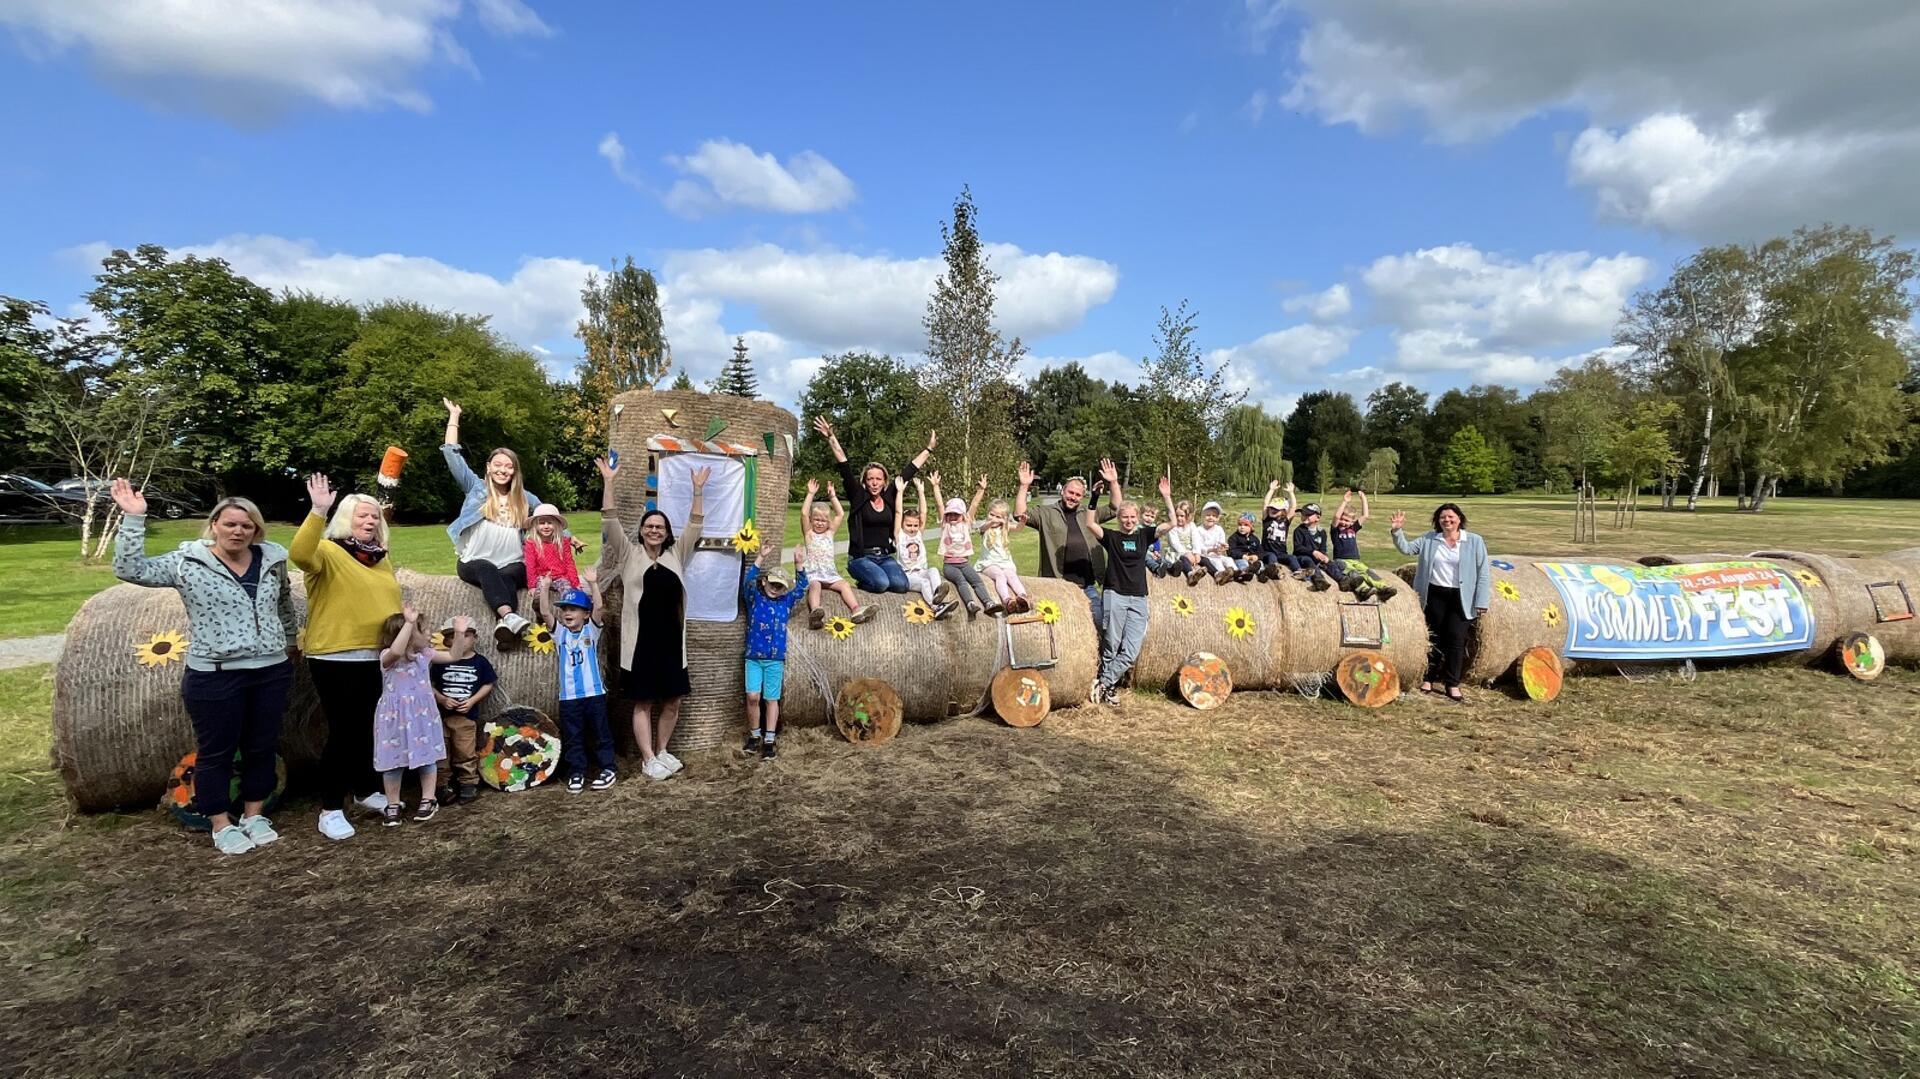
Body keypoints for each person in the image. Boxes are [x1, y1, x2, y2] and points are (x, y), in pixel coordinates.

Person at [110, 479, 297, 855]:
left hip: (271, 669)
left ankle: (253, 815)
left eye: (247, 526)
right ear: (214, 524)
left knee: (262, 746)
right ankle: (219, 822)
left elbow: (283, 603)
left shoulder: (273, 558)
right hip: (215, 674)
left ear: (256, 530)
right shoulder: (187, 562)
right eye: (230, 524)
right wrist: (134, 519)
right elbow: (130, 569)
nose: (238, 531)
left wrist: (290, 642)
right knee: (217, 752)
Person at [292, 472, 404, 842]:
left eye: (374, 516)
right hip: (336, 654)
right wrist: (317, 512)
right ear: (346, 519)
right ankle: (330, 808)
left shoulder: (379, 558)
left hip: (374, 655)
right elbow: (299, 554)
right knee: (343, 731)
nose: (370, 521)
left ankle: (362, 787)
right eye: (362, 516)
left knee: (365, 728)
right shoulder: (328, 550)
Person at [596, 454, 718, 781]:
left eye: (660, 527)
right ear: (641, 530)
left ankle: (663, 750)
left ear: (666, 533)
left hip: (670, 643)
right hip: (640, 644)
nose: (654, 530)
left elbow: (696, 524)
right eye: (649, 526)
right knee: (643, 703)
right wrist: (608, 481)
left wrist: (697, 490)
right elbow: (609, 520)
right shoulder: (629, 554)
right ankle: (648, 759)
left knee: (673, 701)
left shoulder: (676, 554)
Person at [441, 398, 548, 649]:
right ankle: (509, 616)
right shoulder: (475, 488)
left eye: (508, 467)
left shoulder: (524, 497)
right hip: (473, 561)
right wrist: (454, 416)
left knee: (509, 574)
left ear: (515, 471)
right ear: (488, 468)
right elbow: (451, 454)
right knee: (488, 569)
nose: (503, 470)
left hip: (513, 561)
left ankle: (504, 627)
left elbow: (547, 516)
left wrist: (569, 536)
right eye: (497, 465)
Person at [1080, 459, 1170, 706]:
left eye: (1132, 517)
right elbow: (1089, 523)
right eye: (1125, 517)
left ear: (1138, 518)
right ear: (1119, 518)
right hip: (1114, 594)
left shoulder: (1144, 535)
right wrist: (1095, 496)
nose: (1129, 521)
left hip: (1139, 597)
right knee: (1111, 644)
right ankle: (1108, 690)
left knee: (1130, 650)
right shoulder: (1112, 537)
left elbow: (1172, 523)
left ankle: (1103, 681)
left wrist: (1167, 497)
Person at [811, 416, 936, 593]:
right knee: (881, 584)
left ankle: (875, 579)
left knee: (901, 585)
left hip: (885, 557)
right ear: (865, 482)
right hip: (861, 558)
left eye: (879, 479)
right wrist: (831, 437)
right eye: (870, 479)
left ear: (885, 481)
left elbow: (909, 470)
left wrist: (928, 449)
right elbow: (844, 464)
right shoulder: (858, 497)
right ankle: (863, 582)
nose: (875, 483)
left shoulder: (888, 497)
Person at [1392, 502, 1492, 703]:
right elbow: (1407, 548)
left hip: (1462, 597)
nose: (1447, 520)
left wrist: (1481, 600)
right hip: (1434, 594)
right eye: (1442, 517)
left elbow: (1483, 573)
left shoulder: (1474, 541)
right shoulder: (1430, 539)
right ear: (1438, 521)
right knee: (1434, 638)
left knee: (1456, 639)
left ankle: (1452, 684)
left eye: (1451, 517)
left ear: (1459, 519)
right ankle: (1428, 679)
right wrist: (1397, 531)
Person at [372, 604, 452, 826]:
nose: (428, 633)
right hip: (394, 718)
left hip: (421, 716)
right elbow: (397, 651)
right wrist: (409, 623)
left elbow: (454, 655)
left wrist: (462, 632)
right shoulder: (387, 657)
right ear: (405, 635)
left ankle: (429, 798)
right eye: (422, 629)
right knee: (392, 762)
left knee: (427, 757)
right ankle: (393, 803)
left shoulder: (424, 655)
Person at [1014, 460, 1115, 629]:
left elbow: (1115, 508)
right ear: (1062, 491)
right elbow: (1019, 514)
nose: (1073, 497)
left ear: (1082, 497)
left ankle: (1101, 654)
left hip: (1088, 585)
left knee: (1098, 620)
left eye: (1077, 495)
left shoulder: (1089, 513)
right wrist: (1024, 486)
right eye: (1070, 492)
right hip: (1057, 585)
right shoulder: (1046, 513)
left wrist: (1113, 482)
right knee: (1061, 626)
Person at [545, 574, 617, 794]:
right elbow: (546, 613)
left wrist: (595, 583)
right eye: (565, 609)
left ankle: (608, 769)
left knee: (600, 733)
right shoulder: (560, 635)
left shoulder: (591, 631)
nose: (568, 613)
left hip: (593, 694)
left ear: (585, 614)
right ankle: (577, 772)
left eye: (574, 609)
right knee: (573, 737)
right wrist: (546, 587)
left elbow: (599, 608)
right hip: (568, 698)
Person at [741, 548, 809, 760]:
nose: (775, 589)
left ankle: (769, 739)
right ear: (765, 583)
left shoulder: (785, 602)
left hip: (775, 660)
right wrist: (760, 557)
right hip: (753, 658)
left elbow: (803, 588)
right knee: (753, 697)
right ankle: (754, 736)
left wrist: (799, 564)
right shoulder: (755, 599)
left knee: (772, 699)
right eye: (772, 584)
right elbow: (747, 582)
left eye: (780, 586)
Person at [430, 615, 496, 806]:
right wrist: (441, 699)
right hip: (441, 716)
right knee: (441, 752)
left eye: (467, 635)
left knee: (465, 751)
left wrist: (473, 700)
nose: (461, 639)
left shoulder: (480, 662)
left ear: (474, 638)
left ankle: (468, 783)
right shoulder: (440, 661)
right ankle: (442, 785)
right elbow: (429, 684)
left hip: (465, 716)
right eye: (455, 636)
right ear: (447, 640)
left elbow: (488, 684)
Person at [798, 478, 873, 629]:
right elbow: (804, 514)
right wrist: (810, 494)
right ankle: (815, 613)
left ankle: (856, 610)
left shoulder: (830, 533)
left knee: (845, 585)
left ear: (828, 522)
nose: (820, 523)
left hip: (830, 574)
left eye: (824, 520)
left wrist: (833, 496)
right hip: (814, 573)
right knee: (815, 585)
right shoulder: (809, 533)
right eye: (816, 519)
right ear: (812, 520)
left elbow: (839, 514)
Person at [932, 471, 994, 617]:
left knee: (977, 581)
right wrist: (935, 487)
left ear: (962, 515)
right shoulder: (945, 524)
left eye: (956, 514)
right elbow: (940, 504)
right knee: (961, 581)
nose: (953, 516)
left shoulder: (966, 523)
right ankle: (970, 604)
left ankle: (988, 602)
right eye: (950, 514)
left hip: (965, 563)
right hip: (949, 565)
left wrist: (981, 490)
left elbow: (974, 504)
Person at [893, 476, 956, 618]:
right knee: (923, 583)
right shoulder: (900, 535)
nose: (912, 528)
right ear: (903, 525)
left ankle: (939, 595)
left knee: (933, 570)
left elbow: (924, 513)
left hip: (921, 570)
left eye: (915, 525)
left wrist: (921, 492)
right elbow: (898, 513)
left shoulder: (918, 534)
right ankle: (936, 607)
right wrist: (900, 492)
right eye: (909, 525)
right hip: (907, 575)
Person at [1329, 489, 1398, 602]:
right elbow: (1336, 517)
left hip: (1356, 560)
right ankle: (1363, 590)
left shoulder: (1353, 529)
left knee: (1368, 572)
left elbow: (1365, 515)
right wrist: (1344, 501)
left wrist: (1363, 499)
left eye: (1346, 520)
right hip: (1341, 560)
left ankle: (1383, 588)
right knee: (1353, 573)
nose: (1343, 522)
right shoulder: (1335, 530)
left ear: (1352, 522)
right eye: (1342, 519)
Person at [975, 496, 1031, 614]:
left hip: (1005, 562)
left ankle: (1023, 597)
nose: (994, 519)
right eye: (991, 515)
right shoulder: (985, 527)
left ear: (1004, 519)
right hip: (989, 563)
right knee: (1000, 576)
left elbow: (1018, 528)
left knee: (1011, 575)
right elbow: (983, 527)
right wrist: (991, 522)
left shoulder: (1004, 528)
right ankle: (1007, 600)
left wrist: (1022, 522)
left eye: (998, 516)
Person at [523, 503, 581, 606]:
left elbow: (569, 563)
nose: (546, 526)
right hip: (542, 577)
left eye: (550, 523)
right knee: (539, 594)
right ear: (536, 525)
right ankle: (540, 613)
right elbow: (530, 566)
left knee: (569, 593)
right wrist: (532, 586)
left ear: (556, 525)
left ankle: (567, 612)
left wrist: (575, 583)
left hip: (560, 577)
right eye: (542, 523)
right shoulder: (531, 543)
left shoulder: (563, 542)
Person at [1290, 503, 1336, 591]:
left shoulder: (1322, 532)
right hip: (1301, 557)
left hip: (1316, 559)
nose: (1304, 516)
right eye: (1303, 514)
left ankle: (1343, 580)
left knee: (1330, 563)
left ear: (1318, 518)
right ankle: (1319, 579)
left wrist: (1323, 556)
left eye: (1308, 514)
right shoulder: (1299, 530)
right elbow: (1298, 548)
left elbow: (1322, 548)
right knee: (1308, 560)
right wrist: (1313, 552)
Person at [1258, 480, 1295, 581]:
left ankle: (1299, 572)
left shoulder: (1285, 522)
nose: (1272, 510)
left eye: (1276, 509)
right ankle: (1273, 571)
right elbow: (1265, 504)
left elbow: (1293, 508)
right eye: (1271, 508)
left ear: (1283, 511)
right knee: (1271, 556)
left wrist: (1291, 493)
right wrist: (1271, 490)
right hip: (1266, 552)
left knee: (1292, 558)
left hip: (1281, 553)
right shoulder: (1267, 520)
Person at [1193, 501, 1235, 584]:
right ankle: (1222, 576)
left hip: (1217, 555)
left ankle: (1235, 573)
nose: (1211, 518)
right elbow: (1198, 548)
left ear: (1218, 518)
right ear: (1202, 516)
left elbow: (1221, 543)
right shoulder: (1198, 530)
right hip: (1206, 556)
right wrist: (1211, 550)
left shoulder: (1219, 530)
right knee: (1217, 562)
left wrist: (1223, 547)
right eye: (1208, 515)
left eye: (1214, 516)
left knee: (1228, 559)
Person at [1226, 512, 1263, 582]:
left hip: (1253, 560)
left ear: (1251, 527)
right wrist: (1242, 556)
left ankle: (1261, 573)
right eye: (1240, 525)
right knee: (1243, 563)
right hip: (1240, 558)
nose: (1242, 527)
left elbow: (1261, 551)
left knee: (1260, 563)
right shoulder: (1233, 538)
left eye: (1246, 525)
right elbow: (1230, 551)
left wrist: (1257, 556)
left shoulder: (1255, 539)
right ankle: (1245, 573)